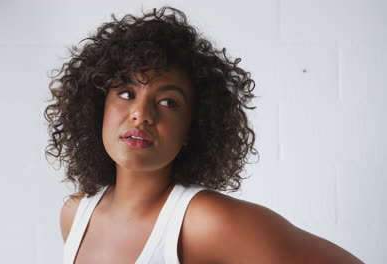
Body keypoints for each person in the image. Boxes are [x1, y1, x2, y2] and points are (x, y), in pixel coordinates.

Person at [44, 6, 363, 264]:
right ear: (98, 107)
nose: (142, 114)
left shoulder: (203, 222)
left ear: (191, 129)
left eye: (168, 102)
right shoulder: (75, 214)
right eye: (126, 93)